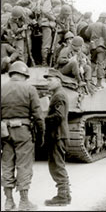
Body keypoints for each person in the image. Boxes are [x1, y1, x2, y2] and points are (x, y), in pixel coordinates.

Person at [1, 61, 45, 211]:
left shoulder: (2, 88)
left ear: (12, 74)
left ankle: (8, 201)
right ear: (24, 75)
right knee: (24, 165)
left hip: (5, 132)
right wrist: (41, 133)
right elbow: (38, 114)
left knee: (7, 164)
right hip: (23, 132)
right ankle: (24, 202)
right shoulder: (29, 89)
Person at [43, 68, 71, 206]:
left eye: (50, 79)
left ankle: (62, 196)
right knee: (58, 164)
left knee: (57, 165)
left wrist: (44, 118)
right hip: (58, 135)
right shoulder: (58, 94)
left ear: (58, 81)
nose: (47, 82)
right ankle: (65, 194)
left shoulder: (59, 95)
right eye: (47, 80)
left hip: (57, 135)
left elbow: (59, 116)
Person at [85, 12, 106, 87]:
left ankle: (88, 80)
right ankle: (99, 83)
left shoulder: (91, 25)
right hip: (101, 46)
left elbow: (86, 34)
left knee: (92, 63)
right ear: (104, 18)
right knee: (100, 64)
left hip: (92, 46)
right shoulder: (104, 26)